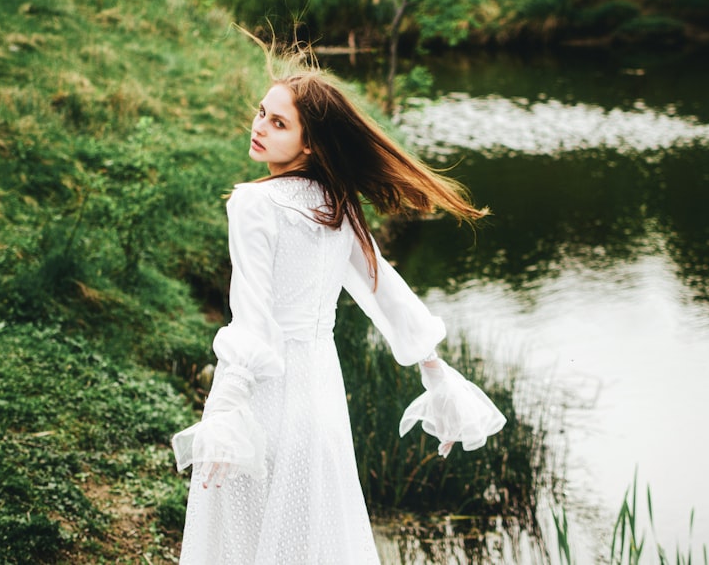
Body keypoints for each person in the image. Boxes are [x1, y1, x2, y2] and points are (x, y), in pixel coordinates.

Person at [170, 38, 506, 564]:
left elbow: (254, 320)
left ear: (310, 145)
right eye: (263, 112)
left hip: (261, 394)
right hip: (318, 394)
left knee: (238, 542)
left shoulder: (253, 203)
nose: (259, 126)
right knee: (310, 541)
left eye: (279, 123)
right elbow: (387, 292)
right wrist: (436, 374)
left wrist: (228, 408)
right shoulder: (337, 204)